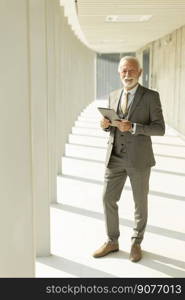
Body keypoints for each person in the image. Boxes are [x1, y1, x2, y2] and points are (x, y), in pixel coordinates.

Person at [92, 56, 165, 262]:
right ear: (119, 73)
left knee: (139, 203)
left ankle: (136, 242)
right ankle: (112, 240)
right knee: (107, 198)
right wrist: (106, 125)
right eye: (124, 70)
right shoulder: (113, 95)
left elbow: (160, 128)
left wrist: (133, 127)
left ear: (140, 73)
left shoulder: (151, 96)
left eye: (132, 70)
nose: (127, 74)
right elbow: (112, 128)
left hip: (139, 159)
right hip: (114, 156)